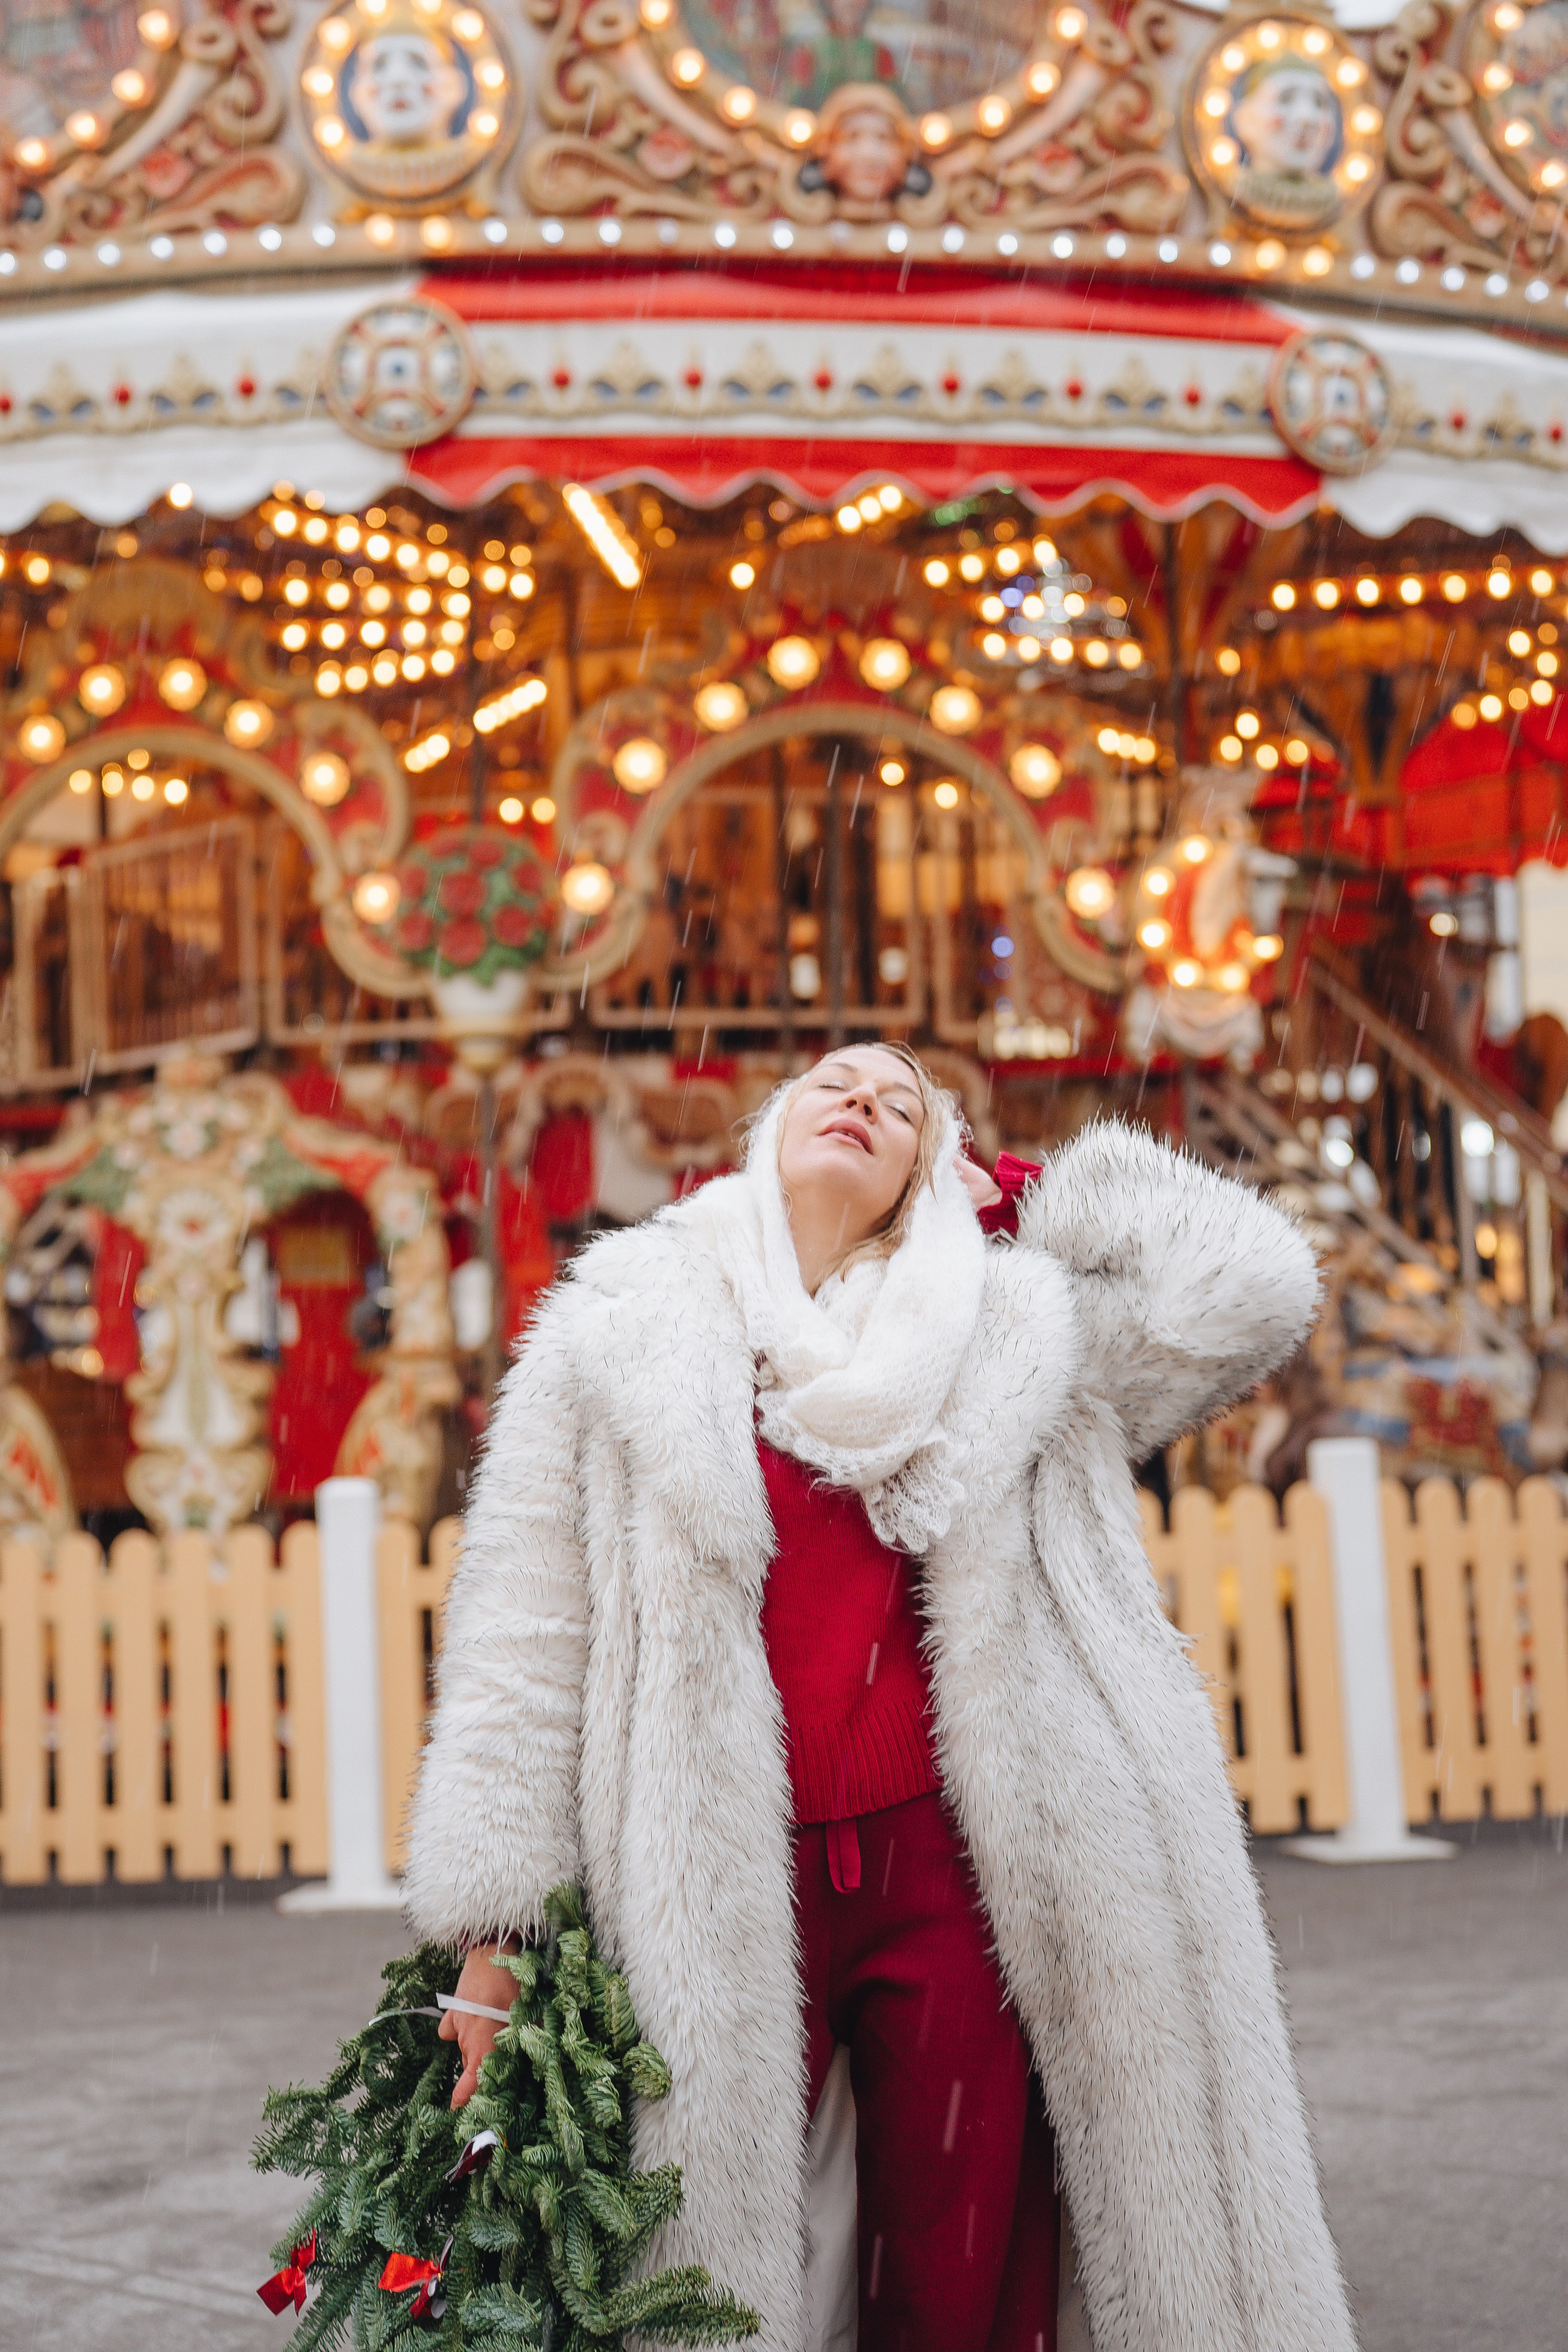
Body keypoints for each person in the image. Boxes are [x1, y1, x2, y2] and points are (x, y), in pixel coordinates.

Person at [404, 1044, 1354, 2352]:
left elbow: (1246, 1290)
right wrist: (492, 1926)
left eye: (902, 1105)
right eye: (833, 1083)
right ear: (767, 1126)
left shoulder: (1009, 1322)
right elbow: (521, 1640)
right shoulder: (617, 1324)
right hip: (707, 1868)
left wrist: (1019, 1195)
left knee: (956, 2261)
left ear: (928, 1165)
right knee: (700, 2270)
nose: (863, 1101)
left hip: (955, 1864)